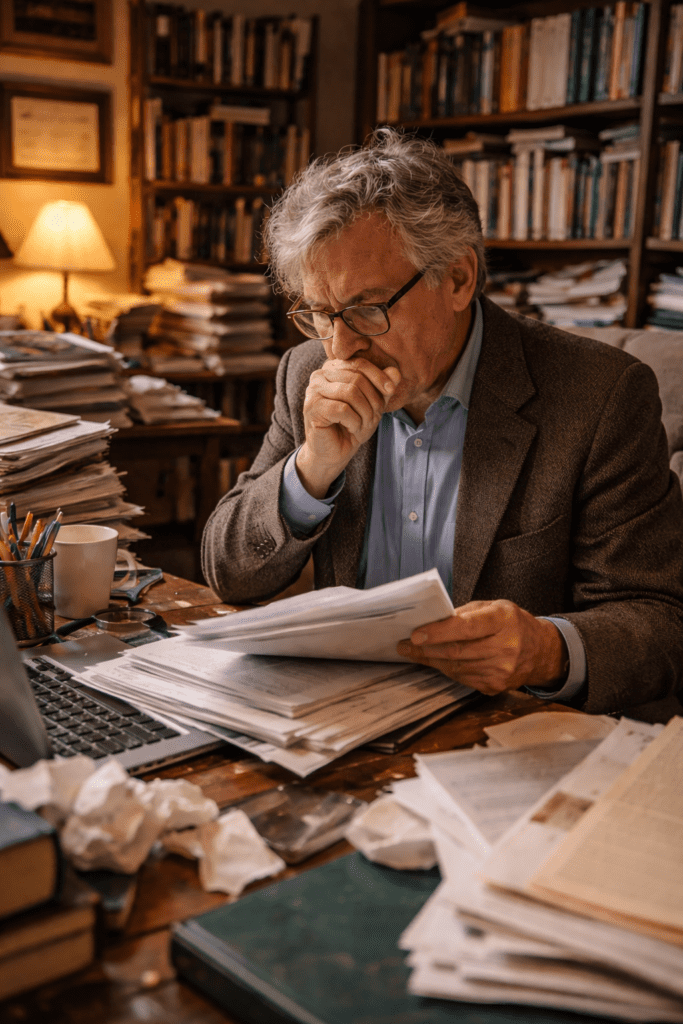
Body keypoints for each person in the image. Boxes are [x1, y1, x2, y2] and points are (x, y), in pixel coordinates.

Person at [202, 128, 683, 716]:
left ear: (458, 278)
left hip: (509, 729)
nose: (341, 347)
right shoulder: (306, 374)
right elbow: (228, 573)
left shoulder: (600, 396)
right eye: (321, 314)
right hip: (347, 715)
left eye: (367, 309)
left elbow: (659, 622)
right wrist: (311, 470)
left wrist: (546, 650)